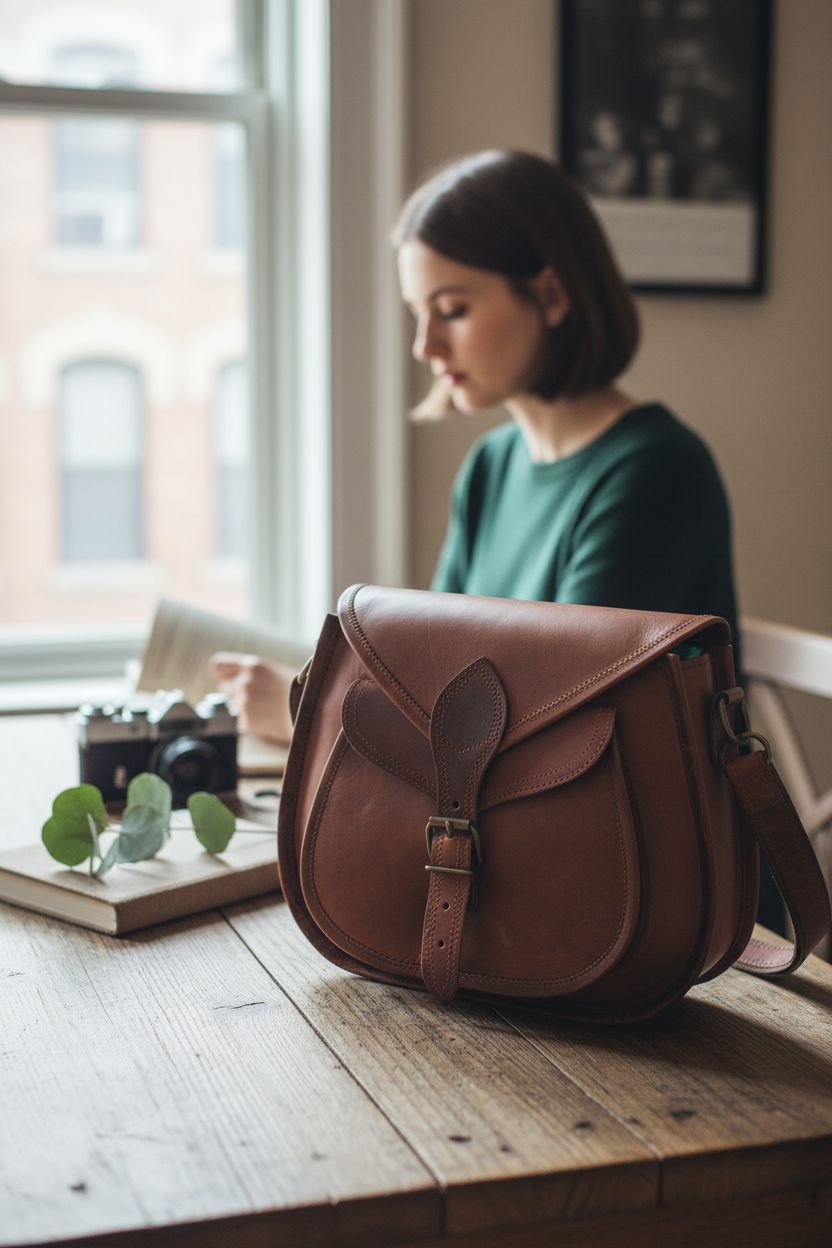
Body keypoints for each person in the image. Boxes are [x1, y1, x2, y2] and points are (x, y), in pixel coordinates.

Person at [212, 149, 780, 930]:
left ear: (550, 294)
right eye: (419, 312)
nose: (423, 347)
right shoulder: (491, 467)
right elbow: (448, 685)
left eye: (451, 309)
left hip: (660, 904)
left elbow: (561, 723)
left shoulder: (652, 471)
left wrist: (308, 709)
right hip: (532, 864)